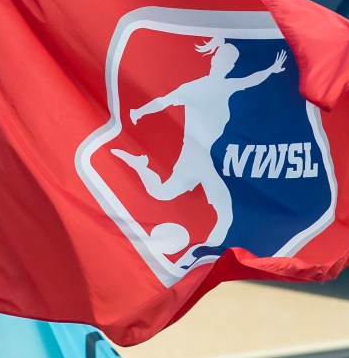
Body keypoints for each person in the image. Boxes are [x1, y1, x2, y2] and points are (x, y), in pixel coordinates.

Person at [112, 37, 287, 267]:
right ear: (215, 61)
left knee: (192, 202)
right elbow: (164, 101)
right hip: (197, 157)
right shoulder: (195, 87)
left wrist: (271, 70)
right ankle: (198, 259)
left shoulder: (224, 86)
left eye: (229, 62)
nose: (225, 65)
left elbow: (250, 80)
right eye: (222, 59)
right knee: (207, 208)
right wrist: (140, 112)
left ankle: (198, 258)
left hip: (205, 157)